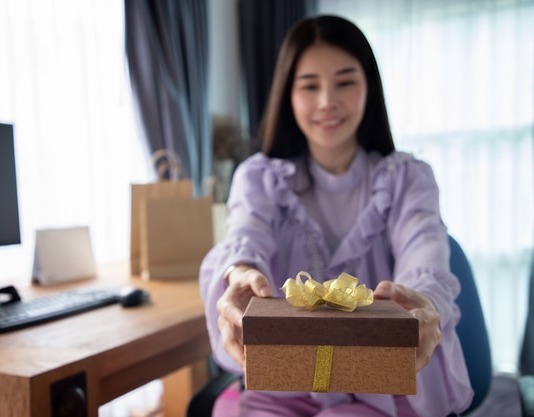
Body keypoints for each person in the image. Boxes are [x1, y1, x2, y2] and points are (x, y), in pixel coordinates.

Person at [199, 14, 474, 417]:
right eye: (309, 86)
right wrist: (239, 272)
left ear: (369, 88)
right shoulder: (259, 177)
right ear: (288, 95)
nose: (327, 101)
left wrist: (426, 304)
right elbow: (247, 234)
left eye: (345, 82)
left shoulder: (407, 178)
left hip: (382, 386)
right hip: (281, 384)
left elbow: (425, 254)